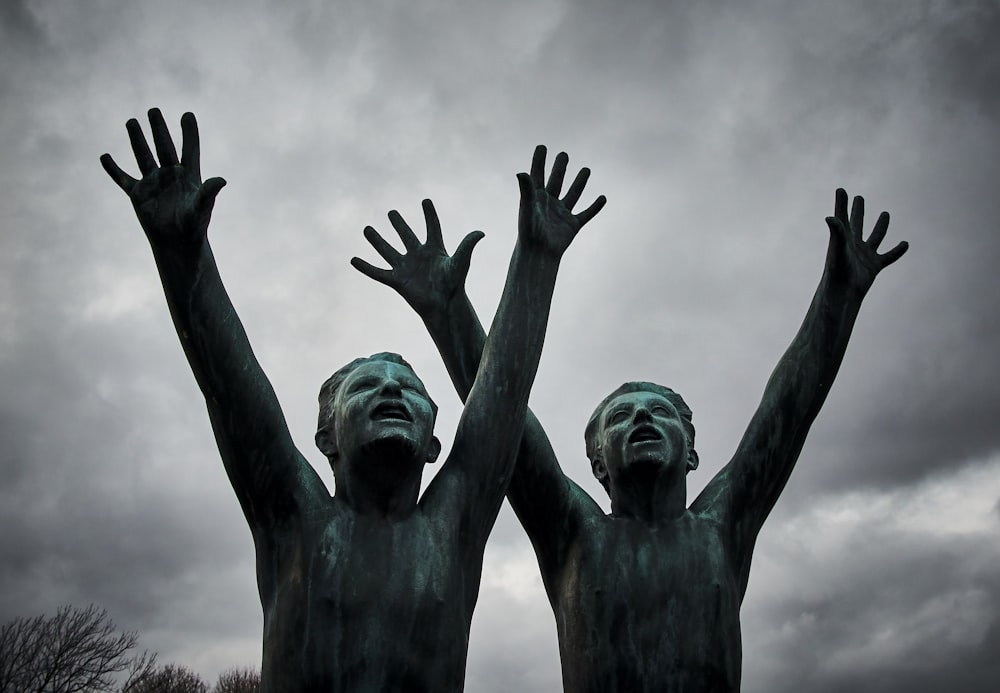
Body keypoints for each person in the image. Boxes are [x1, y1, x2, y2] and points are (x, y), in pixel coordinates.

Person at [101, 109, 605, 692]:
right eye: (366, 386)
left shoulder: (453, 525)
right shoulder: (295, 516)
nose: (392, 389)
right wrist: (182, 256)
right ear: (326, 438)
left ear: (435, 442)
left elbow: (504, 392)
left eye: (412, 390)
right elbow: (228, 386)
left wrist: (536, 261)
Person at [356, 185, 908, 692]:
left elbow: (787, 413)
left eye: (658, 412)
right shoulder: (573, 533)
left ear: (690, 450)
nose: (641, 419)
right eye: (620, 418)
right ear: (598, 463)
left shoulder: (721, 528)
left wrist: (840, 295)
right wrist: (449, 312)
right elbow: (503, 411)